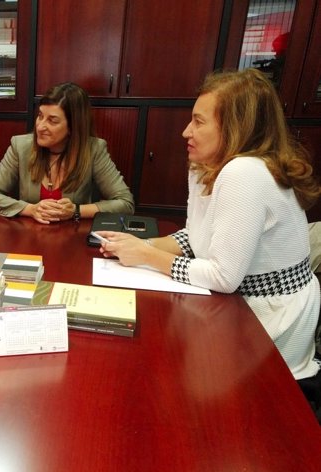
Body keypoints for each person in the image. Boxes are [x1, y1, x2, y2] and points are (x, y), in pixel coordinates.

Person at [98, 68, 321, 382]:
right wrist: (137, 246)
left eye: (199, 122)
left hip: (270, 322)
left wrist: (147, 256)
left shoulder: (244, 173)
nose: (186, 132)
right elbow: (197, 235)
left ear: (235, 128)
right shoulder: (208, 166)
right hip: (237, 309)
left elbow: (223, 277)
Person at [0, 82, 134, 224]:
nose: (40, 127)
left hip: (72, 240)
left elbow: (125, 203)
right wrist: (30, 209)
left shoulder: (93, 149)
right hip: (28, 237)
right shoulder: (20, 146)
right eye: (40, 116)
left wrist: (76, 210)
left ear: (73, 127)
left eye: (52, 121)